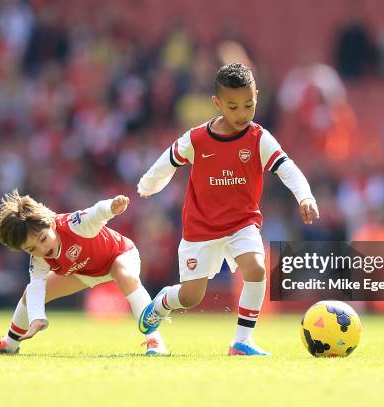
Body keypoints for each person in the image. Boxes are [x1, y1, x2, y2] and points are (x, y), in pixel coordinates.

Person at [136, 63, 320, 355]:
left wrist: (305, 197)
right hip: (201, 228)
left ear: (257, 97)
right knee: (191, 296)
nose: (242, 114)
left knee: (257, 269)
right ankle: (161, 303)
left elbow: (288, 169)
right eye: (233, 107)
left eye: (249, 105)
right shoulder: (196, 139)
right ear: (217, 103)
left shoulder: (259, 138)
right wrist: (147, 184)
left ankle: (242, 341)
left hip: (241, 224)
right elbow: (166, 162)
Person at [0, 190, 168, 355]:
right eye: (31, 249)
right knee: (30, 295)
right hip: (85, 272)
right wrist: (37, 318)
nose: (41, 249)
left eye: (43, 239)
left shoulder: (74, 224)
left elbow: (95, 212)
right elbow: (36, 286)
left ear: (50, 223)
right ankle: (9, 344)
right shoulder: (39, 257)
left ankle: (155, 340)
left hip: (119, 255)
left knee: (125, 275)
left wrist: (111, 207)